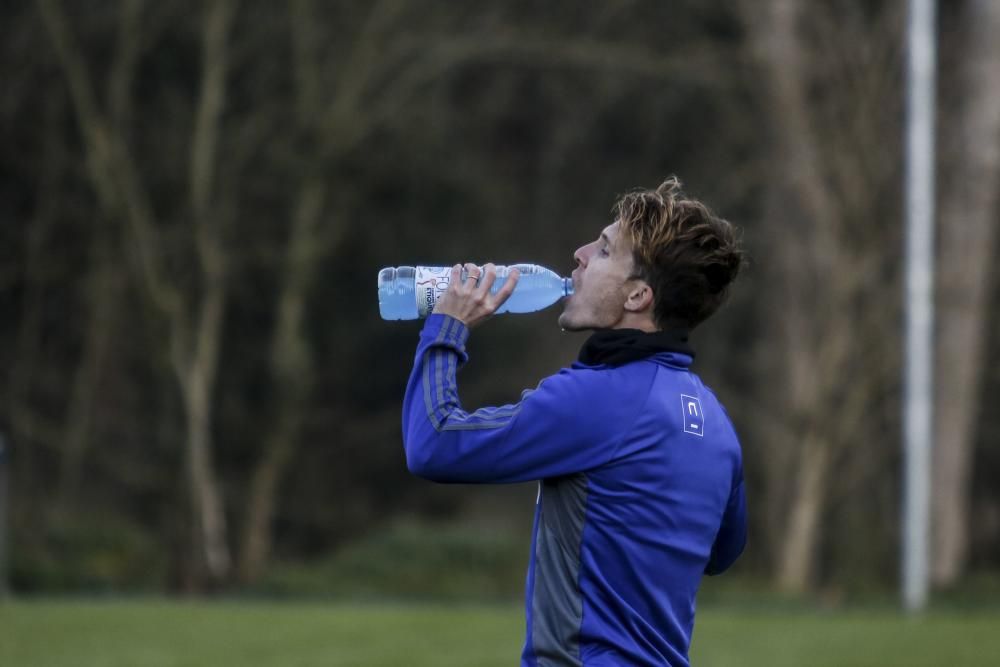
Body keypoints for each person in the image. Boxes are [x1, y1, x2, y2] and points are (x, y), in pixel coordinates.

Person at [401, 177, 747, 667]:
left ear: (637, 297)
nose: (580, 254)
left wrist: (447, 327)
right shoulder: (714, 418)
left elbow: (432, 442)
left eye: (604, 251)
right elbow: (722, 553)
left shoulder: (598, 399)